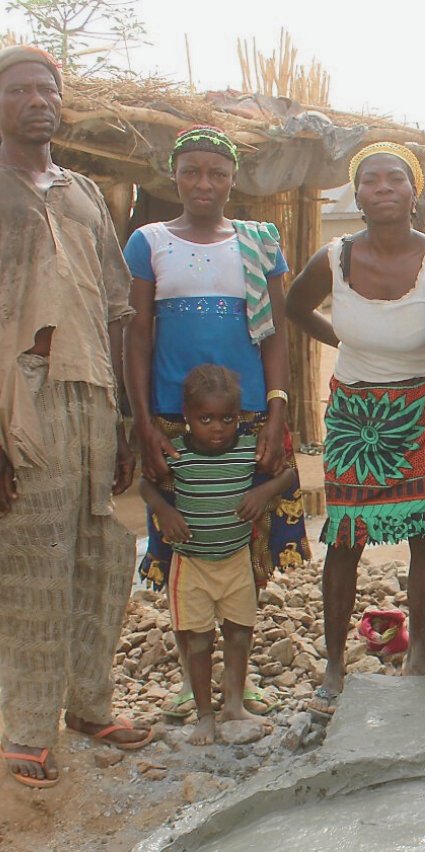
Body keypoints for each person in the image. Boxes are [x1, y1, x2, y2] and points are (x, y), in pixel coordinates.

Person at [124, 125, 310, 721]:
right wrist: (144, 422)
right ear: (173, 177)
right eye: (192, 172)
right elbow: (138, 336)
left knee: (247, 540)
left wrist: (277, 409)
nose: (204, 183)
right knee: (181, 543)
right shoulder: (149, 242)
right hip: (175, 419)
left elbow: (276, 335)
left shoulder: (258, 242)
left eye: (217, 174)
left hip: (249, 413)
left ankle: (238, 683)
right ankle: (192, 682)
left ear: (233, 181)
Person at [0, 46, 149, 788]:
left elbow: (117, 308)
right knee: (32, 558)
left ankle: (91, 706)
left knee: (100, 556)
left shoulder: (83, 191)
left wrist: (122, 419)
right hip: (20, 397)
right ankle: (25, 730)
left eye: (47, 90)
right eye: (20, 90)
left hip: (92, 393)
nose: (38, 101)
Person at [286, 142, 425, 717]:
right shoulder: (333, 258)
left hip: (418, 410)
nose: (384, 187)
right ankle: (334, 666)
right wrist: (346, 340)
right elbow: (294, 308)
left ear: (415, 193)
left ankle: (418, 658)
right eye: (371, 180)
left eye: (396, 178)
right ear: (357, 195)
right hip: (353, 416)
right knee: (344, 539)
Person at [140, 366, 299, 744]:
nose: (217, 428)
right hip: (191, 566)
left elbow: (289, 476)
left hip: (236, 562)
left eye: (227, 419)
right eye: (205, 419)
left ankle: (234, 704)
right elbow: (146, 486)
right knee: (197, 641)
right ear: (187, 416)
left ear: (238, 415)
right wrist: (165, 512)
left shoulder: (247, 449)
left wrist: (262, 493)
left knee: (239, 633)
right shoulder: (178, 454)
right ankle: (204, 716)